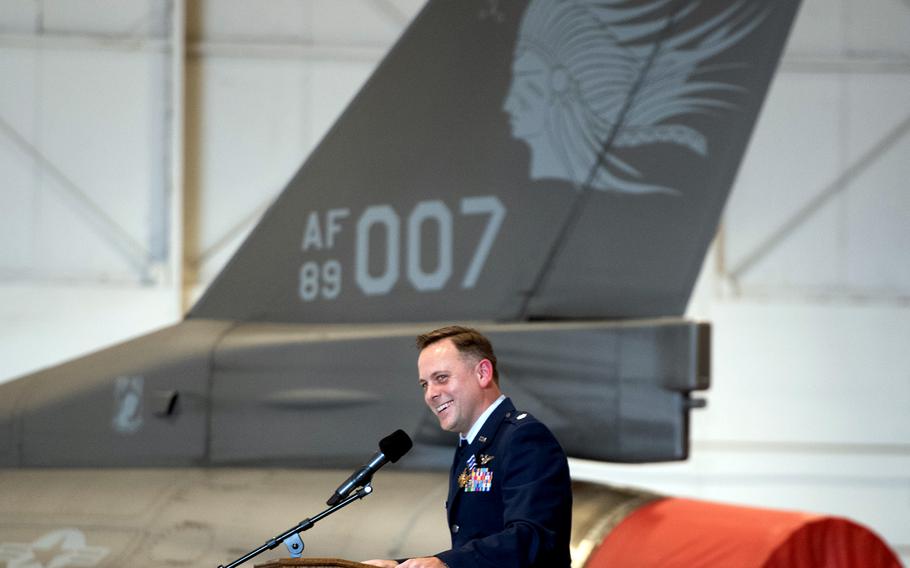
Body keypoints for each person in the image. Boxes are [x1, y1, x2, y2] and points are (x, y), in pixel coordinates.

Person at [364, 325, 572, 568]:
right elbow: (471, 548)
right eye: (424, 384)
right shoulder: (473, 445)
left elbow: (532, 539)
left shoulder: (523, 437)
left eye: (441, 378)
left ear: (483, 373)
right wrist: (397, 565)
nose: (430, 394)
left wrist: (445, 563)